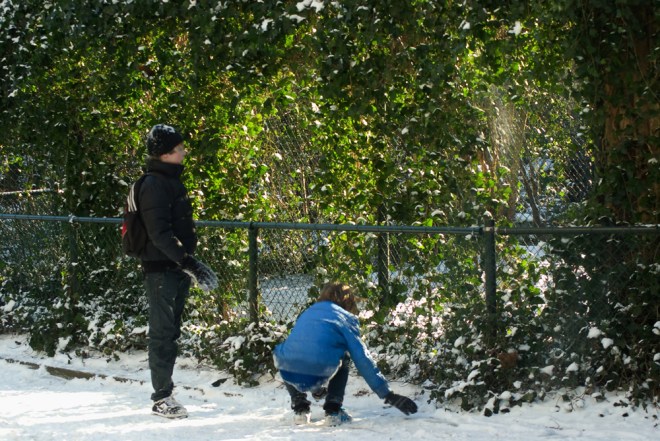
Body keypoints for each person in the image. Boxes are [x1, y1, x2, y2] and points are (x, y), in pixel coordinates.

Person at [137, 123, 218, 419]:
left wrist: (186, 263)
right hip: (161, 269)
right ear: (166, 154)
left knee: (170, 332)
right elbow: (159, 233)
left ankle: (166, 391)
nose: (184, 152)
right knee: (162, 333)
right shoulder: (154, 184)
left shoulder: (169, 180)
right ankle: (161, 398)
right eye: (179, 149)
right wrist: (189, 263)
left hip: (175, 266)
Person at [273, 282, 418, 426]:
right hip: (318, 367)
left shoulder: (309, 311)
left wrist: (316, 386)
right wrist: (388, 394)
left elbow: (305, 350)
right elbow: (362, 358)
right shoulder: (345, 318)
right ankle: (333, 410)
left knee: (289, 353)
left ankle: (300, 408)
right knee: (345, 355)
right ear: (348, 300)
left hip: (287, 367)